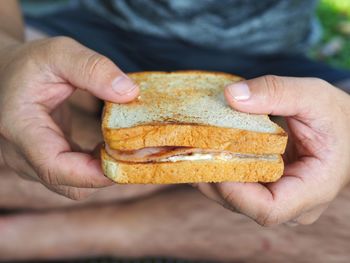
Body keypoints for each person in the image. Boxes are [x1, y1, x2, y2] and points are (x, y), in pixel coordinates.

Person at [1, 0, 350, 261]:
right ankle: (166, 199)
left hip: (272, 60)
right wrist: (7, 53)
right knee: (20, 109)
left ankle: (76, 229)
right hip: (86, 39)